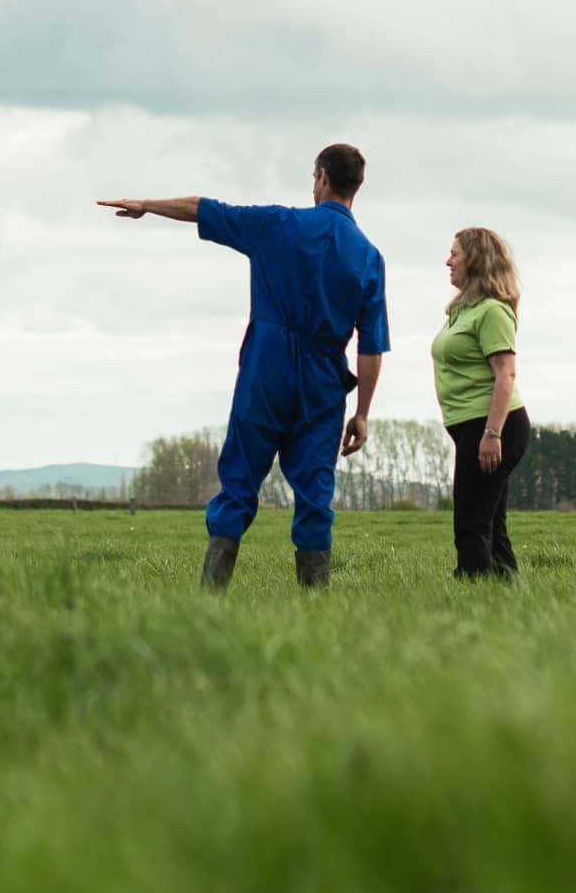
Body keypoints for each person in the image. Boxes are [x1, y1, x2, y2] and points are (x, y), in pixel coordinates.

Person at [97, 144, 390, 590]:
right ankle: (315, 609)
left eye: (314, 177)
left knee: (239, 479)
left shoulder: (278, 224)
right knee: (315, 493)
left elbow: (203, 208)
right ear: (356, 187)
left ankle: (210, 597)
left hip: (267, 367)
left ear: (323, 178)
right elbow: (372, 347)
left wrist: (146, 206)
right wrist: (363, 413)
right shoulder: (369, 257)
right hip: (323, 379)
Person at [431, 227, 530, 580]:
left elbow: (506, 374)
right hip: (471, 426)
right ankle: (506, 598)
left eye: (454, 254)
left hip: (492, 425)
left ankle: (472, 593)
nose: (448, 261)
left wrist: (492, 433)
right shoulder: (461, 312)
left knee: (471, 523)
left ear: (475, 259)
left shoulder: (492, 312)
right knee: (491, 523)